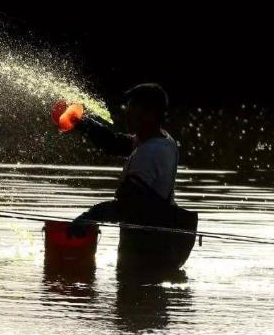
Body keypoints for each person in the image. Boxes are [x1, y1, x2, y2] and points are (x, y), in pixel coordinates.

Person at [58, 83, 196, 269]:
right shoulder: (162, 140)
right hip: (158, 247)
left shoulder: (150, 153)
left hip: (146, 253)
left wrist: (91, 216)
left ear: (150, 114)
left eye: (133, 108)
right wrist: (83, 124)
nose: (127, 112)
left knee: (133, 289)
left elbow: (127, 207)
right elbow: (114, 144)